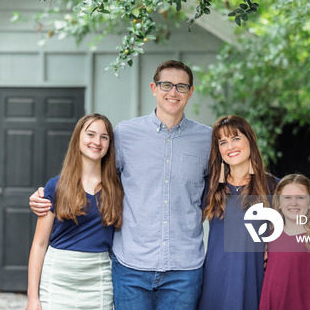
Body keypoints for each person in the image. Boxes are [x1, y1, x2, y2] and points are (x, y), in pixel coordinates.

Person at [31, 60, 212, 310]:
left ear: (190, 92)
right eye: (166, 85)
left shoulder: (207, 140)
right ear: (153, 88)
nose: (173, 92)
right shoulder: (125, 134)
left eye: (181, 87)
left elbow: (219, 194)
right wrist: (47, 193)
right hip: (130, 267)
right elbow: (95, 174)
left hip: (184, 269)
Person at [26, 113, 124, 310]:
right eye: (90, 134)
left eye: (104, 137)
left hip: (98, 278)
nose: (97, 141)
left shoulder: (117, 188)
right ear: (78, 138)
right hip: (58, 278)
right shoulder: (56, 186)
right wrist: (32, 297)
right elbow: (39, 243)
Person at [198, 115, 279, 309]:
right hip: (216, 280)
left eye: (236, 138)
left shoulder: (273, 186)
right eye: (223, 142)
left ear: (250, 139)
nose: (230, 147)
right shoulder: (210, 186)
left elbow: (300, 228)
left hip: (254, 279)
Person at [259, 174, 310, 310]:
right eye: (287, 197)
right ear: (279, 203)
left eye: (300, 197)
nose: (293, 203)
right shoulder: (269, 237)